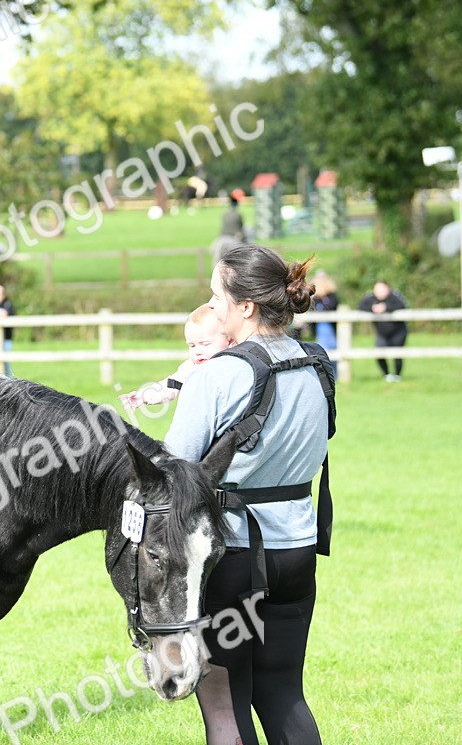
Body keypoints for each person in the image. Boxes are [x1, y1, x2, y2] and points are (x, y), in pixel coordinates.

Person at [165, 245, 329, 745]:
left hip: (231, 556)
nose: (211, 308)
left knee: (228, 707)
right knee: (284, 693)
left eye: (217, 299)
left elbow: (173, 470)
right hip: (298, 550)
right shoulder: (317, 363)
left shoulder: (218, 375)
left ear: (246, 307)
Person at [119, 304, 234, 411]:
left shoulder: (237, 364)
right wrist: (143, 396)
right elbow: (169, 386)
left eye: (205, 344)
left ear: (230, 340)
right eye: (192, 345)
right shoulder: (191, 368)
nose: (197, 351)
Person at [358, 280, 408, 381]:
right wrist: (373, 308)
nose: (379, 292)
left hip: (398, 331)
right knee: (379, 353)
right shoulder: (371, 298)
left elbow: (403, 306)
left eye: (382, 289)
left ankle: (397, 375)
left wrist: (386, 307)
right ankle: (387, 374)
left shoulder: (395, 296)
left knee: (397, 354)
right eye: (377, 289)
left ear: (388, 289)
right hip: (382, 333)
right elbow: (361, 306)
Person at [310, 270, 339, 376]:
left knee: (334, 350)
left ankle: (335, 374)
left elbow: (331, 307)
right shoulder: (314, 298)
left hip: (331, 329)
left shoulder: (332, 296)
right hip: (320, 330)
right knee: (322, 352)